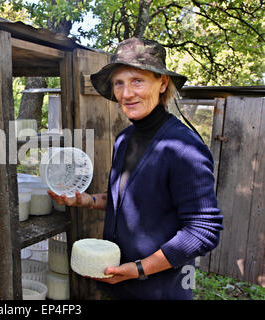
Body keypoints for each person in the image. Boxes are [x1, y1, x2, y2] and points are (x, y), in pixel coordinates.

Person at [47, 37, 223, 300]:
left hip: (160, 291)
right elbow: (127, 200)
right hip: (121, 285)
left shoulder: (183, 147)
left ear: (162, 83)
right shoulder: (124, 140)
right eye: (119, 83)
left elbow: (203, 230)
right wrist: (86, 200)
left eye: (137, 81)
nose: (126, 94)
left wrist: (140, 269)